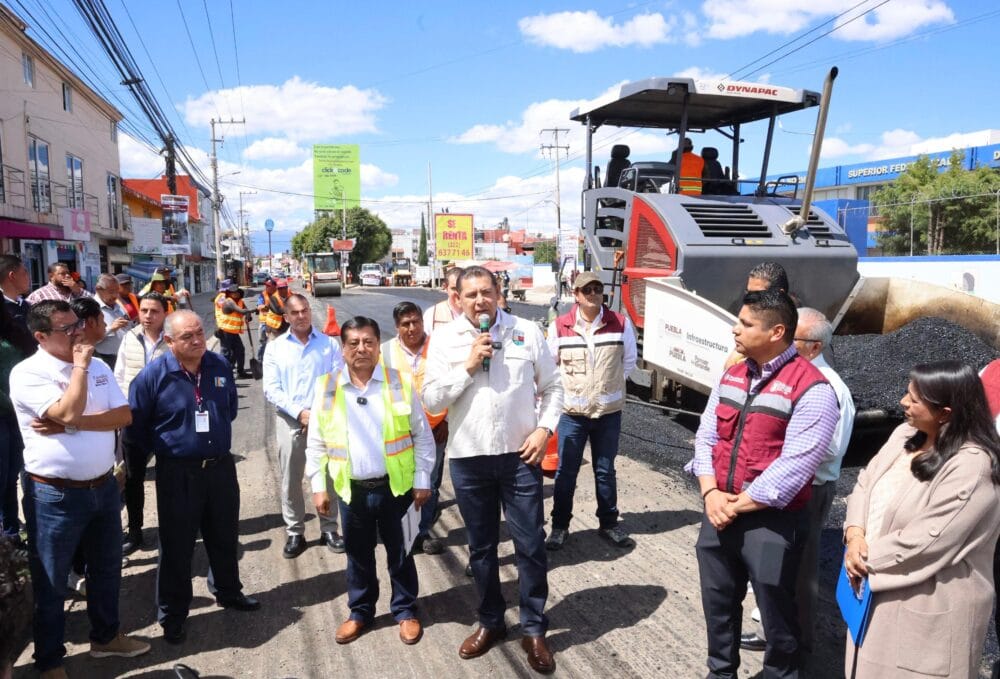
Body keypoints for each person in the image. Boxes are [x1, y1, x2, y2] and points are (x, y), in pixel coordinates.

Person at [686, 288, 839, 679]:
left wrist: (731, 505)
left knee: (776, 610)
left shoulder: (814, 389)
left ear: (777, 332)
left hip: (770, 522)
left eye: (745, 324)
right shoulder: (733, 374)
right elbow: (706, 437)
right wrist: (710, 492)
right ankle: (721, 672)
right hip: (719, 510)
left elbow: (794, 468)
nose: (735, 330)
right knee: (718, 603)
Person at [423, 266, 563, 674]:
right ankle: (490, 622)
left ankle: (534, 627)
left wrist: (543, 429)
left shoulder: (525, 331)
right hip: (469, 459)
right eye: (471, 295)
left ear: (498, 293)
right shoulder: (447, 340)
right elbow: (432, 401)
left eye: (487, 292)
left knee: (530, 546)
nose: (480, 300)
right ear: (458, 299)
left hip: (521, 457)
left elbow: (553, 388)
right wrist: (467, 366)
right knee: (482, 550)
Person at [10, 300, 150, 676]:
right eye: (66, 329)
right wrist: (81, 370)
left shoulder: (101, 367)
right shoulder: (29, 373)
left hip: (102, 486)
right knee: (52, 581)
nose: (78, 333)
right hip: (54, 494)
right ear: (41, 336)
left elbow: (123, 416)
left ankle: (106, 637)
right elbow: (69, 410)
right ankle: (50, 660)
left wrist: (73, 423)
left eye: (77, 325)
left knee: (106, 570)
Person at [843, 361, 1000, 679]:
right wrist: (855, 534)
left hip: (926, 603)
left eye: (914, 399)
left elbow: (930, 539)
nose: (903, 402)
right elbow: (865, 482)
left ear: (945, 412)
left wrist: (863, 558)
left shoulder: (972, 465)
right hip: (875, 584)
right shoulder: (905, 433)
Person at [127, 310, 261, 645]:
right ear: (170, 341)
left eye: (200, 332)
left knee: (224, 535)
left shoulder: (217, 365)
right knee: (177, 546)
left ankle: (228, 591)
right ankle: (173, 614)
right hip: (178, 473)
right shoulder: (153, 376)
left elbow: (228, 408)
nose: (198, 340)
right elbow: (136, 427)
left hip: (219, 467)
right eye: (188, 336)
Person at [305, 317, 435, 646]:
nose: (361, 349)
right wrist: (319, 486)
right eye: (353, 343)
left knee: (401, 553)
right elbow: (316, 443)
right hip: (353, 492)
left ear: (379, 346)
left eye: (368, 342)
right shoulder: (327, 386)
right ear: (343, 349)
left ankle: (405, 610)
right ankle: (360, 612)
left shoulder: (399, 383)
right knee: (358, 557)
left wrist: (422, 479)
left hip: (397, 489)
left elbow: (423, 437)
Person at [739, 307, 855, 656]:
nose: (785, 344)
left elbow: (830, 449)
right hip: (780, 486)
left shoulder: (831, 388)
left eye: (795, 339)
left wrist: (782, 453)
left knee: (801, 568)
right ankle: (772, 628)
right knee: (771, 561)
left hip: (809, 489)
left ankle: (797, 644)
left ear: (815, 347)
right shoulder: (786, 376)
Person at [545, 271, 637, 551]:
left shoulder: (620, 323)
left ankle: (609, 523)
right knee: (566, 472)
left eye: (597, 289)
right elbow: (550, 368)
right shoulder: (560, 327)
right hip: (572, 414)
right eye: (587, 290)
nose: (593, 294)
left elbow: (629, 361)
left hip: (608, 413)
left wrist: (608, 388)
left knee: (605, 470)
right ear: (576, 295)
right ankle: (560, 527)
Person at [262, 293, 345, 558]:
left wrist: (318, 415)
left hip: (325, 420)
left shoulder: (329, 345)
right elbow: (271, 389)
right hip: (290, 420)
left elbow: (336, 381)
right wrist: (300, 413)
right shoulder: (276, 348)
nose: (301, 316)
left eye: (305, 311)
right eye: (295, 312)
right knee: (292, 478)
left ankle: (329, 528)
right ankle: (295, 531)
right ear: (286, 317)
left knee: (329, 475)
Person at [381, 301, 449, 555]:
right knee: (399, 481)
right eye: (405, 324)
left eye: (415, 322)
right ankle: (398, 529)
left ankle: (421, 532)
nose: (412, 328)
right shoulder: (385, 352)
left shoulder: (440, 349)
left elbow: (455, 385)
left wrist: (447, 421)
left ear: (422, 321)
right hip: (398, 431)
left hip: (435, 428)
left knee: (428, 481)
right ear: (397, 327)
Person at [114, 292, 170, 555]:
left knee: (170, 475)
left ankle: (175, 527)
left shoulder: (172, 340)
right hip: (134, 418)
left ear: (165, 313)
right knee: (134, 478)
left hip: (167, 420)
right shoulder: (129, 338)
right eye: (144, 310)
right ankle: (135, 531)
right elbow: (120, 375)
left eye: (154, 311)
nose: (147, 316)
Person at [0, 302, 30, 546]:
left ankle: (11, 535)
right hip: (7, 413)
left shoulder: (13, 331)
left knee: (11, 478)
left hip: (16, 417)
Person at [214, 280, 254, 379]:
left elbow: (243, 309)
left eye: (236, 291)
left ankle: (240, 372)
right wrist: (245, 311)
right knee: (226, 353)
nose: (236, 293)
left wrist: (248, 315)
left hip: (234, 331)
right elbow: (230, 307)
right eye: (233, 291)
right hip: (225, 329)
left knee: (239, 350)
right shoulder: (222, 298)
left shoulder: (239, 300)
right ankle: (222, 376)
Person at [92, 274, 131, 368]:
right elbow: (89, 339)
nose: (115, 296)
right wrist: (111, 329)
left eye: (117, 291)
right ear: (98, 289)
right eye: (111, 292)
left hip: (123, 358)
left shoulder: (118, 306)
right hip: (103, 359)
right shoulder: (92, 308)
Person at [0, 255, 34, 351]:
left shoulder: (27, 305)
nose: (29, 278)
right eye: (25, 273)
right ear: (12, 276)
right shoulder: (3, 309)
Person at [422, 267, 463, 332]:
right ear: (446, 287)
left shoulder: (478, 314)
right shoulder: (432, 314)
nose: (459, 293)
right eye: (454, 289)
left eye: (462, 288)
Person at [256, 277, 277, 361]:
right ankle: (260, 361)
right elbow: (259, 306)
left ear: (274, 286)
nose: (267, 287)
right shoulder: (263, 295)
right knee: (262, 344)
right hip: (264, 323)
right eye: (266, 286)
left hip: (276, 324)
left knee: (275, 344)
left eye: (269, 286)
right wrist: (266, 306)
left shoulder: (279, 294)